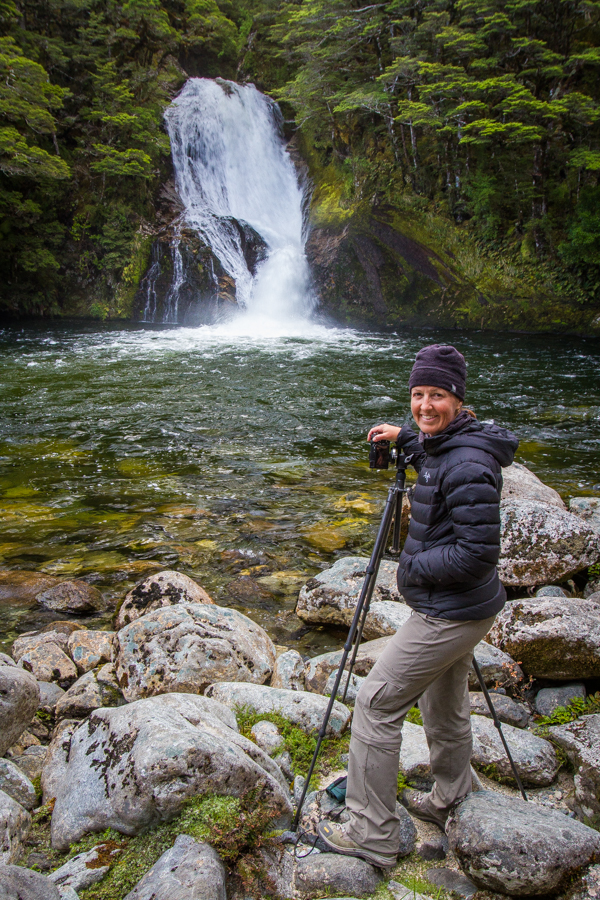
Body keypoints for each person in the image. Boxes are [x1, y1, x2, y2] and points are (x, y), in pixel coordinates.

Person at [317, 343, 518, 868]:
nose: (426, 405)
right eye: (418, 394)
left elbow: (477, 553)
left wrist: (410, 567)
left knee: (375, 703)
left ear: (458, 399)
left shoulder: (468, 463)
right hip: (465, 606)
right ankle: (452, 795)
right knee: (442, 704)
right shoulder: (448, 442)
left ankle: (372, 833)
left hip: (449, 611)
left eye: (438, 396)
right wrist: (403, 436)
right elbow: (435, 450)